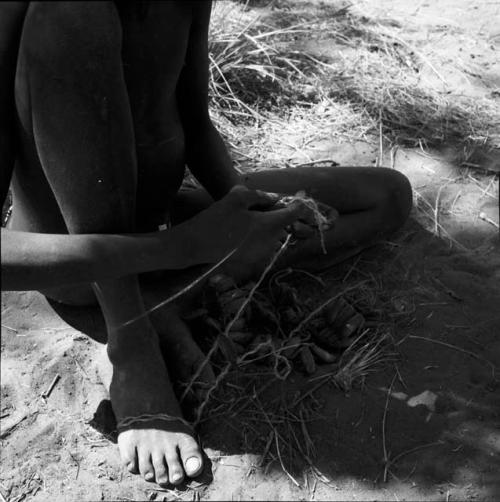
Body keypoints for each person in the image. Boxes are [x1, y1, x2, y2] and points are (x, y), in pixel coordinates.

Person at [0, 1, 412, 488]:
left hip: (169, 226)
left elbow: (193, 121)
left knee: (385, 197)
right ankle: (132, 340)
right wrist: (187, 247)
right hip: (82, 268)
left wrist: (245, 202)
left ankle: (165, 299)